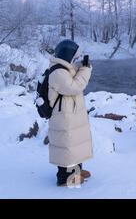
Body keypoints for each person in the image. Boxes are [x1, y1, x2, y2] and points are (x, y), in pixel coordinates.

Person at [47, 40, 93, 187]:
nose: (76, 59)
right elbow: (74, 87)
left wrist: (81, 68)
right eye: (75, 56)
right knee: (66, 145)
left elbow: (73, 82)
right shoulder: (57, 72)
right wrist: (85, 70)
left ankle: (76, 171)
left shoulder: (65, 68)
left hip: (70, 113)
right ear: (67, 54)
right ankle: (64, 178)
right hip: (63, 116)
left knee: (75, 143)